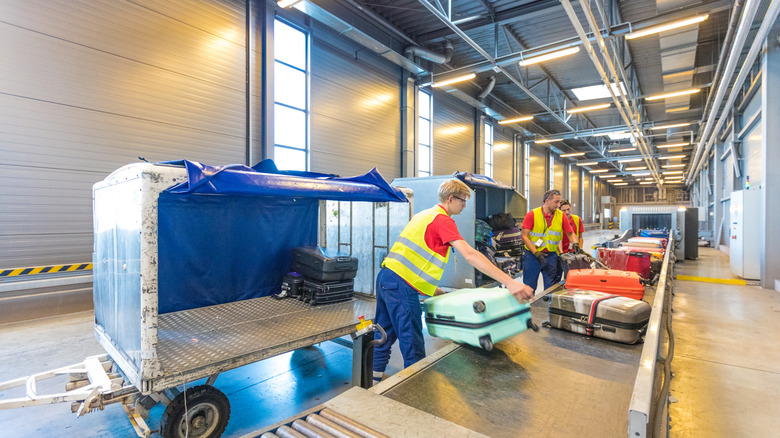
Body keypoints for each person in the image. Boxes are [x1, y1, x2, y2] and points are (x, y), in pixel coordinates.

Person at [372, 179, 534, 384]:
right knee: (412, 342)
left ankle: (374, 379)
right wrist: (510, 282)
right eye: (463, 200)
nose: (465, 205)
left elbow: (414, 263)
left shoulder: (424, 214)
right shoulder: (442, 220)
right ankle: (416, 390)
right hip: (402, 286)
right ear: (450, 198)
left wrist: (439, 292)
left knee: (384, 333)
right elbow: (471, 255)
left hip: (387, 279)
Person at [520, 189, 579, 292]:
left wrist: (575, 243)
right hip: (533, 256)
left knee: (551, 288)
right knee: (529, 287)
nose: (558, 205)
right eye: (556, 202)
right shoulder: (532, 214)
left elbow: (570, 233)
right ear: (547, 201)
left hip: (551, 256)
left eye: (559, 202)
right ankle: (528, 307)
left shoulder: (561, 216)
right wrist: (536, 252)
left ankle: (548, 306)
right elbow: (524, 236)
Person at [554, 200, 585, 282]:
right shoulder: (556, 221)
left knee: (571, 277)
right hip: (558, 253)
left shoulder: (577, 220)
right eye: (564, 210)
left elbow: (580, 237)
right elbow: (557, 239)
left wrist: (580, 248)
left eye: (568, 209)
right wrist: (561, 254)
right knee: (556, 277)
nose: (567, 212)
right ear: (559, 210)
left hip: (572, 253)